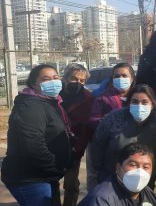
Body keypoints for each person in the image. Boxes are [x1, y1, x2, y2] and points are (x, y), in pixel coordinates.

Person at [1, 64, 71, 206]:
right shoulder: (31, 106)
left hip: (43, 175)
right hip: (30, 178)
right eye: (45, 79)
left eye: (56, 77)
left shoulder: (49, 102)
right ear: (33, 83)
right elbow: (32, 145)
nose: (53, 81)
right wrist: (53, 168)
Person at [91, 84, 156, 185]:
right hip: (112, 178)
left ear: (152, 104)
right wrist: (99, 169)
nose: (139, 106)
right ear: (128, 103)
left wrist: (154, 173)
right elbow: (98, 143)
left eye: (144, 102)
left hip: (144, 179)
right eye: (134, 102)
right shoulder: (113, 118)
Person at [87, 62, 135, 191]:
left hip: (133, 148)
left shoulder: (138, 96)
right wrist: (110, 121)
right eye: (116, 76)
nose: (120, 79)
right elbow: (93, 120)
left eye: (124, 76)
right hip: (110, 149)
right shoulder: (103, 98)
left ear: (132, 78)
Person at [60, 63, 95, 206]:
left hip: (74, 146)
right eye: (74, 79)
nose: (78, 83)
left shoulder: (88, 98)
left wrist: (78, 149)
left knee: (71, 183)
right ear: (65, 78)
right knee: (50, 181)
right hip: (52, 144)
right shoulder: (55, 95)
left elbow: (86, 127)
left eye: (82, 81)